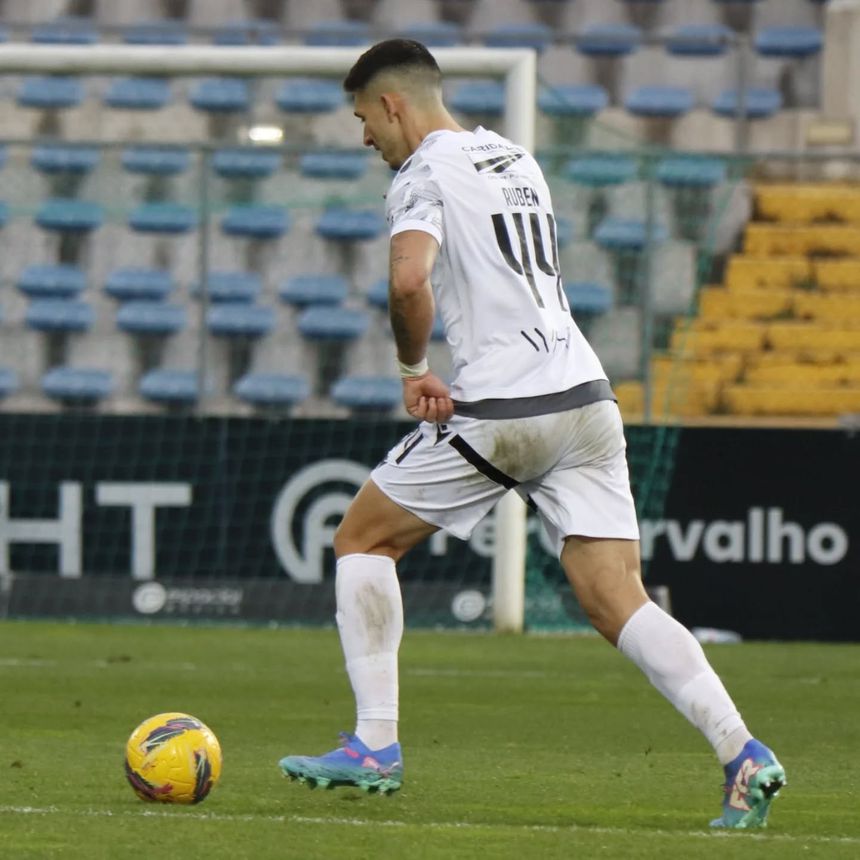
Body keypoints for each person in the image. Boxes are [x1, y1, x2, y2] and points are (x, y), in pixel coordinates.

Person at [279, 38, 785, 829]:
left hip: (509, 404)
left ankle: (375, 743)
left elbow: (408, 278)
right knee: (617, 598)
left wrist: (414, 368)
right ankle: (743, 752)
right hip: (585, 394)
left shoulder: (421, 174)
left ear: (391, 106)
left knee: (363, 540)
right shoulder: (515, 157)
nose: (364, 138)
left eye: (362, 120)